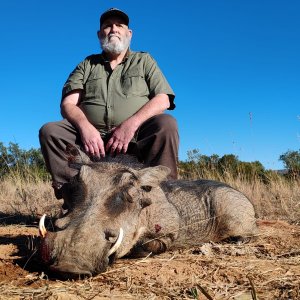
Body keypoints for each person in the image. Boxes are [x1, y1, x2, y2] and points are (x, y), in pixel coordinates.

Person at [39, 8, 179, 199]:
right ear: (99, 34)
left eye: (119, 25)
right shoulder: (87, 64)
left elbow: (163, 98)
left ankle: (164, 197)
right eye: (107, 26)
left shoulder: (144, 60)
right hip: (90, 141)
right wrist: (85, 128)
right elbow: (68, 104)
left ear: (129, 33)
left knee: (166, 124)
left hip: (135, 138)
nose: (113, 29)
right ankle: (74, 200)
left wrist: (131, 124)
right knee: (51, 131)